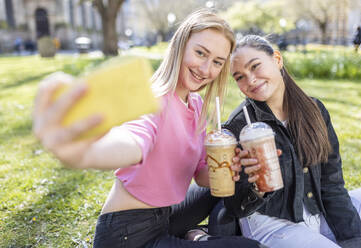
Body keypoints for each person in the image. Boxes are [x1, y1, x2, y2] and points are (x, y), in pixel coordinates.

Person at [32, 9, 266, 248]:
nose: (206, 69)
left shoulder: (195, 105)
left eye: (217, 62)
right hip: (128, 235)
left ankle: (196, 236)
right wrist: (88, 153)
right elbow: (133, 140)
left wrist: (228, 167)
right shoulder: (154, 101)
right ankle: (198, 237)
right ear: (180, 46)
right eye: (200, 53)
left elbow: (201, 175)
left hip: (163, 216)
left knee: (220, 189)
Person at [211, 34, 361, 248]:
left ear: (277, 59)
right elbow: (234, 208)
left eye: (255, 66)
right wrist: (257, 187)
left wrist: (353, 241)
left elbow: (332, 185)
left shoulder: (314, 110)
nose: (250, 80)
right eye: (239, 77)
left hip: (317, 212)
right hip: (272, 226)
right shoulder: (239, 128)